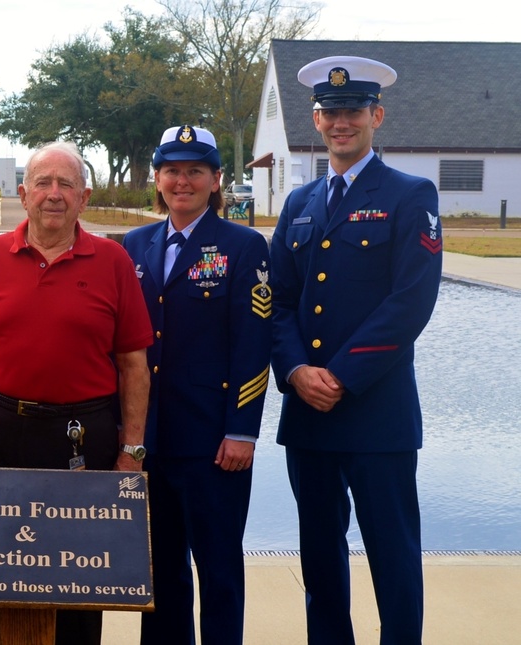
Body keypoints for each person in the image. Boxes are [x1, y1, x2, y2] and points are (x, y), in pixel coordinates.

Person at [0, 141, 153, 645]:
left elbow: (134, 366)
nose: (53, 194)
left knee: (80, 578)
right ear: (23, 194)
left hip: (84, 437)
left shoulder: (113, 260)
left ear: (84, 197)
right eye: (43, 183)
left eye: (66, 185)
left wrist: (131, 451)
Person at [269, 56, 443, 645]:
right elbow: (280, 303)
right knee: (320, 559)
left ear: (377, 115)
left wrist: (339, 376)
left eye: (353, 111)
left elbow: (410, 304)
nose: (341, 122)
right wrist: (294, 371)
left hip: (376, 413)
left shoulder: (409, 195)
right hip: (309, 418)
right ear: (316, 121)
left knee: (394, 558)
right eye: (331, 112)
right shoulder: (300, 204)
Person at [122, 125, 272, 645]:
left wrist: (242, 432)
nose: (181, 181)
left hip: (213, 445)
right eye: (171, 171)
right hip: (150, 443)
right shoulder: (134, 245)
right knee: (159, 576)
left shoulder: (243, 245)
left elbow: (254, 346)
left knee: (219, 574)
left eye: (194, 171)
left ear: (216, 180)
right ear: (157, 179)